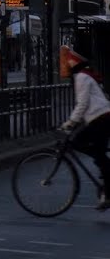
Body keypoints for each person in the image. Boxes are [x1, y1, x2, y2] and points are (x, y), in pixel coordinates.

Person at [60, 49, 110, 210]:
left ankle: (107, 190)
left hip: (99, 118)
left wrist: (71, 122)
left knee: (78, 142)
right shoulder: (85, 75)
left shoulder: (81, 77)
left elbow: (82, 104)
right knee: (97, 152)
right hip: (100, 117)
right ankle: (106, 188)